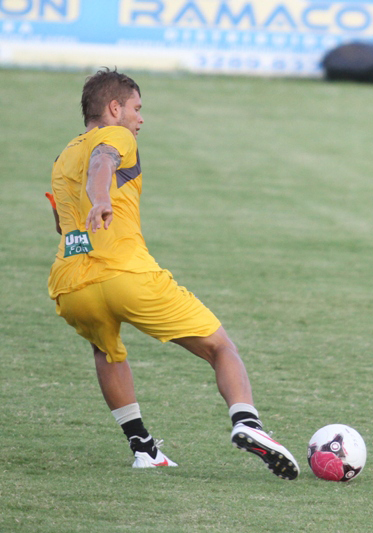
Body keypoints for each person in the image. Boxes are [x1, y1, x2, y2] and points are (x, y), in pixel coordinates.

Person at [47, 68, 300, 479]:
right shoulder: (115, 137)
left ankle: (143, 448)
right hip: (127, 275)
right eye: (136, 108)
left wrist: (89, 208)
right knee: (221, 348)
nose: (140, 118)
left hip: (72, 285)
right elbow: (102, 165)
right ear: (114, 108)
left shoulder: (61, 158)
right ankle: (248, 424)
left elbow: (62, 223)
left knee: (106, 352)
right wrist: (101, 199)